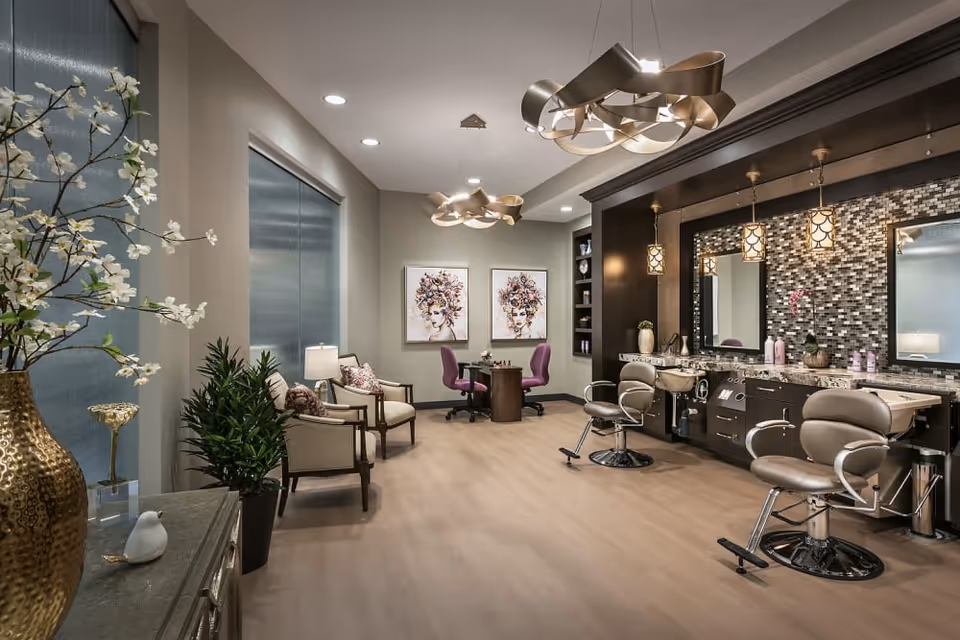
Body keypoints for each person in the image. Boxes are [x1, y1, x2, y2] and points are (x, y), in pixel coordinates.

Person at [415, 270, 464, 341]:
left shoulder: (435, 338)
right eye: (430, 313)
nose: (432, 318)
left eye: (436, 313)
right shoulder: (449, 333)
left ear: (447, 313)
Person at [498, 273, 545, 339]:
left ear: (528, 315)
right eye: (514, 314)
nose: (518, 319)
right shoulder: (515, 336)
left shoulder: (535, 336)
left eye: (522, 314)